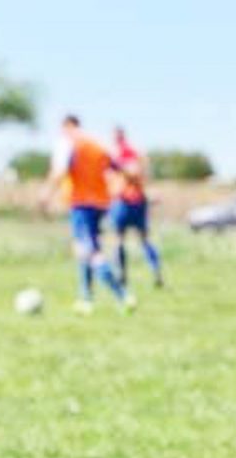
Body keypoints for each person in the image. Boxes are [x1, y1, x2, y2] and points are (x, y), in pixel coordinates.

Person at [39, 115, 132, 314]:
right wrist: (117, 190)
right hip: (100, 204)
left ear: (67, 126)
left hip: (81, 204)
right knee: (86, 250)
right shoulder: (95, 143)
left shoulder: (69, 143)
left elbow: (59, 171)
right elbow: (118, 169)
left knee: (89, 251)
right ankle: (85, 299)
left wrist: (46, 195)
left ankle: (122, 295)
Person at [110, 126, 164, 289]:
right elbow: (145, 172)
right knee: (142, 239)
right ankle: (152, 273)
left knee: (121, 239)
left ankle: (125, 275)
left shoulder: (123, 153)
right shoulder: (134, 153)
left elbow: (134, 173)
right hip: (137, 201)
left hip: (125, 202)